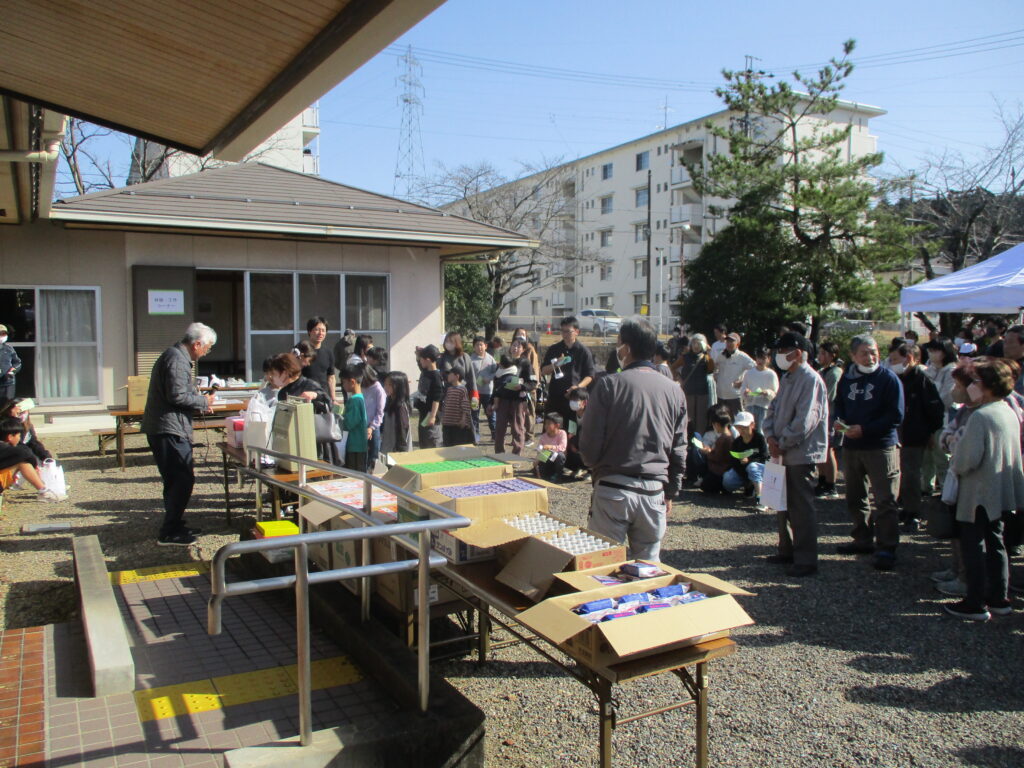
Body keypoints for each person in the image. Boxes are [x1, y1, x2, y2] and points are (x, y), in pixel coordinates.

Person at [580, 319, 687, 560]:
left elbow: (589, 444)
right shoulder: (674, 391)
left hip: (613, 488)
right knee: (648, 568)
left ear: (626, 349)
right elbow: (679, 448)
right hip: (654, 491)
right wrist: (671, 491)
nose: (617, 350)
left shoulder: (609, 385)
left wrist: (594, 466)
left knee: (603, 564)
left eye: (618, 343)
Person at [943, 359, 1024, 621]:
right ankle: (999, 598)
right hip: (1001, 490)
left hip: (977, 492)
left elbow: (966, 460)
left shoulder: (980, 416)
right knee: (996, 543)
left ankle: (975, 602)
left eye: (976, 381)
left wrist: (955, 450)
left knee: (974, 546)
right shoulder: (1007, 410)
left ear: (986, 385)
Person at [141, 323, 217, 546]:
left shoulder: (176, 356)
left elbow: (178, 392)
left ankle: (174, 523)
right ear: (197, 344)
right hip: (168, 428)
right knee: (181, 479)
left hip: (167, 426)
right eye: (208, 347)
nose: (207, 352)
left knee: (176, 479)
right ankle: (169, 531)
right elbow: (176, 395)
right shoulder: (177, 359)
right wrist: (203, 401)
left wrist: (199, 400)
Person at [833, 335, 905, 571]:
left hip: (880, 446)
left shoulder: (888, 379)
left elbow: (895, 415)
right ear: (853, 356)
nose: (870, 357)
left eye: (873, 352)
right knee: (855, 496)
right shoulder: (847, 378)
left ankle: (887, 546)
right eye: (864, 353)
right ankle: (862, 538)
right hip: (853, 446)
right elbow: (839, 404)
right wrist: (839, 422)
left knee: (885, 499)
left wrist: (865, 429)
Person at [763, 332, 830, 577]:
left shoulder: (811, 379)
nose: (778, 356)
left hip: (800, 453)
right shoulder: (788, 377)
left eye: (783, 351)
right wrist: (770, 435)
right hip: (781, 451)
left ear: (798, 353)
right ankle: (787, 549)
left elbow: (806, 421)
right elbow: (772, 409)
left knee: (801, 507)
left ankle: (806, 559)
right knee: (781, 503)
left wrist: (782, 442)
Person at [893, 343, 945, 531]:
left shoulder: (922, 379)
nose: (892, 363)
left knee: (911, 474)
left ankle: (913, 512)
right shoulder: (899, 379)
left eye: (895, 359)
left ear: (908, 358)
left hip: (915, 434)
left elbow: (935, 409)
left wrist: (930, 432)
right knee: (901, 473)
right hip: (899, 434)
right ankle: (905, 507)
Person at [269, 352, 335, 461]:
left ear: (284, 373)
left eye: (274, 374)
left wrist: (316, 395)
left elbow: (328, 403)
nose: (272, 378)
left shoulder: (309, 385)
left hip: (313, 441)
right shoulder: (282, 392)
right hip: (291, 441)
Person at [541, 316, 596, 432]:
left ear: (577, 332)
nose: (564, 334)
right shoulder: (554, 349)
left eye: (568, 331)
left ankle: (571, 443)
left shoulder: (584, 351)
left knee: (572, 431)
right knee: (552, 431)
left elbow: (590, 375)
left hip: (574, 398)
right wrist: (555, 364)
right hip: (555, 396)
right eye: (562, 331)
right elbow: (543, 370)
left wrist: (577, 387)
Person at [0, 418, 65, 502]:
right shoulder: (4, 448)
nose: (19, 438)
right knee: (23, 462)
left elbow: (24, 449)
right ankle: (44, 492)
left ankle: (44, 491)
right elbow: (24, 453)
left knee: (23, 462)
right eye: (18, 435)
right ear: (10, 437)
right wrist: (34, 465)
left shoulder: (5, 446)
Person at [490, 339, 537, 454]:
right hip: (502, 400)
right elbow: (496, 383)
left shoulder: (525, 363)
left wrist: (522, 386)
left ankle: (516, 455)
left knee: (517, 429)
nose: (515, 348)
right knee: (500, 429)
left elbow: (533, 382)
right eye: (514, 345)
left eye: (519, 346)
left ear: (523, 349)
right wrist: (491, 402)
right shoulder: (504, 360)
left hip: (517, 401)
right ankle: (499, 454)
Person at [722, 410, 769, 510]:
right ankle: (750, 486)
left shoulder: (760, 438)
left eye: (744, 427)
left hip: (760, 470)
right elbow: (733, 461)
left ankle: (761, 499)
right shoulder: (736, 442)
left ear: (752, 425)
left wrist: (750, 460)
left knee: (752, 467)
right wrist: (746, 478)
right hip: (743, 471)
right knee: (727, 480)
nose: (741, 430)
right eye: (739, 427)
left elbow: (764, 456)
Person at [673, 334, 716, 437]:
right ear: (690, 344)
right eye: (694, 343)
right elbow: (672, 367)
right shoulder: (685, 357)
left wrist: (710, 352)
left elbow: (711, 369)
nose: (696, 346)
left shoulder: (706, 357)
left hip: (702, 392)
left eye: (699, 343)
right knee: (688, 417)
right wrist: (679, 378)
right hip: (688, 391)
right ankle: (687, 438)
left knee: (702, 418)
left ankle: (700, 439)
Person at [815, 341, 843, 498]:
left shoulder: (835, 372)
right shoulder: (821, 371)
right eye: (819, 353)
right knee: (819, 449)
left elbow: (829, 396)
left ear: (832, 355)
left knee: (828, 450)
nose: (820, 356)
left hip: (830, 416)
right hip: (819, 416)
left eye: (823, 353)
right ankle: (822, 480)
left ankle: (831, 485)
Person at [690, 406, 736, 494]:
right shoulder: (729, 436)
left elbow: (717, 457)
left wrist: (709, 453)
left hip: (720, 469)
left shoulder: (722, 439)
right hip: (726, 467)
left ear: (717, 424)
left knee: (706, 486)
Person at [712, 332, 754, 416]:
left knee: (737, 420)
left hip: (735, 396)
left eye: (732, 341)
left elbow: (755, 369)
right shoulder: (721, 355)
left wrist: (743, 382)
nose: (729, 343)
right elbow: (715, 367)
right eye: (727, 341)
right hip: (721, 395)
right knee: (722, 420)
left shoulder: (742, 357)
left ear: (738, 344)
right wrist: (716, 375)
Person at [412, 345, 444, 448]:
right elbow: (420, 363)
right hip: (424, 413)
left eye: (421, 359)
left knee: (433, 440)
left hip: (431, 414)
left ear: (428, 360)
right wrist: (418, 354)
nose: (420, 361)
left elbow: (437, 398)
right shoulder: (425, 371)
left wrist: (433, 416)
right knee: (424, 440)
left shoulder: (436, 376)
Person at [0, 398, 51, 463]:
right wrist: (13, 418)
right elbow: (17, 445)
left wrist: (45, 456)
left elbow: (33, 442)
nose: (21, 415)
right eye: (19, 413)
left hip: (22, 455)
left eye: (24, 412)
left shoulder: (27, 425)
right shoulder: (6, 426)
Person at [739, 346, 778, 428]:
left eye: (763, 358)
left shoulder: (771, 374)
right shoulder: (749, 373)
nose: (760, 361)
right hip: (750, 406)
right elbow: (742, 389)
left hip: (764, 407)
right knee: (750, 430)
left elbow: (776, 393)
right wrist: (745, 392)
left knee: (762, 431)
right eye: (759, 358)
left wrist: (767, 392)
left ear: (768, 359)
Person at [338, 364, 368, 471]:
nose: (343, 385)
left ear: (352, 382)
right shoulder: (360, 397)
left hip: (355, 445)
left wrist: (339, 417)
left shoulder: (354, 400)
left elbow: (349, 423)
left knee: (353, 474)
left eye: (343, 382)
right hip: (360, 444)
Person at [301, 316, 337, 404]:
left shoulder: (328, 352)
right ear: (309, 331)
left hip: (323, 397)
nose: (320, 333)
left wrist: (333, 399)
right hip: (305, 398)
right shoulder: (301, 350)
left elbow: (331, 377)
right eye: (317, 330)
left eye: (323, 330)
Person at [470, 336, 497, 441]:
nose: (479, 347)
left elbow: (496, 373)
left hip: (487, 392)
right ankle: (475, 435)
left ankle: (494, 434)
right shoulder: (470, 359)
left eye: (481, 344)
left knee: (490, 413)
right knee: (474, 414)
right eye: (477, 345)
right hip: (474, 393)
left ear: (485, 346)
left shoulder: (491, 359)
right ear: (473, 347)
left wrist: (489, 378)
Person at [441, 365, 475, 447]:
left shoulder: (462, 389)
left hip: (457, 424)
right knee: (447, 446)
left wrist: (463, 419)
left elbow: (465, 405)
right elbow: (446, 404)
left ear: (457, 376)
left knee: (458, 445)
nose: (448, 376)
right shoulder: (449, 389)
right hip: (448, 423)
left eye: (450, 374)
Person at [362, 364, 385, 471]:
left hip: (373, 427)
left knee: (373, 455)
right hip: (362, 425)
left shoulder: (378, 388)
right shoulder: (361, 387)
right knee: (363, 455)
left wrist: (371, 427)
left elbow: (380, 413)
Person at [381, 371, 412, 454]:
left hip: (397, 453)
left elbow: (403, 432)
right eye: (385, 384)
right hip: (388, 448)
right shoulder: (390, 401)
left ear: (399, 386)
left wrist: (400, 452)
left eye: (389, 385)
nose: (386, 387)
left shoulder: (401, 407)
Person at [535, 412, 569, 482]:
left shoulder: (562, 433)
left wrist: (551, 447)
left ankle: (558, 475)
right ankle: (546, 473)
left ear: (557, 425)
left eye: (548, 423)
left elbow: (563, 447)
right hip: (546, 459)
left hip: (557, 460)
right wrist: (537, 460)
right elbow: (539, 450)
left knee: (560, 455)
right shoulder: (543, 436)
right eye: (545, 423)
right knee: (541, 472)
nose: (546, 426)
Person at [564, 388, 590, 479]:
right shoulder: (572, 414)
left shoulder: (591, 415)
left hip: (589, 444)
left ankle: (590, 471)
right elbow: (571, 431)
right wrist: (571, 444)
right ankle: (578, 468)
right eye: (571, 399)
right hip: (577, 443)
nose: (572, 402)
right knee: (571, 446)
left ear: (584, 402)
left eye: (576, 400)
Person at [0, 325, 20, 402]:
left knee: (7, 403)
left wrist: (12, 372)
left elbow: (17, 363)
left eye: (4, 334)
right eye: (0, 334)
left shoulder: (9, 349)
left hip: (8, 383)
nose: (2, 336)